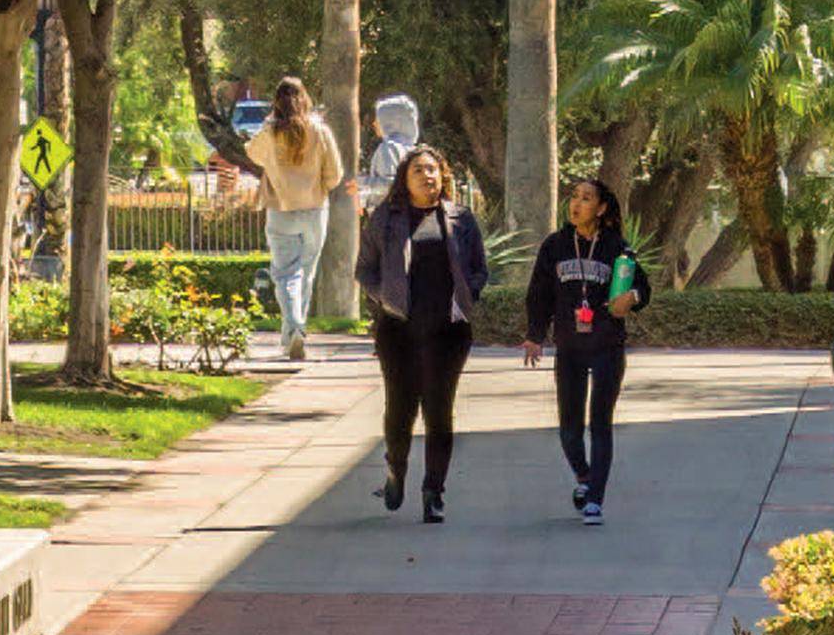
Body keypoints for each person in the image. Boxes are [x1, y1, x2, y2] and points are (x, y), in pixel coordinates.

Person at [354, 146, 489, 524]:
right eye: (418, 170)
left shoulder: (461, 218)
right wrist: (388, 297)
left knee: (439, 412)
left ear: (443, 175)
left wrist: (468, 294)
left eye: (433, 170)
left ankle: (434, 492)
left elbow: (479, 267)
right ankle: (396, 469)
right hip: (398, 330)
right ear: (405, 178)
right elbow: (364, 269)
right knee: (400, 411)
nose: (427, 176)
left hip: (448, 332)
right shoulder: (387, 218)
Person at [521, 176, 649, 527]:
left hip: (607, 346)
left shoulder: (617, 248)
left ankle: (595, 500)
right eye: (574, 197)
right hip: (570, 348)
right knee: (569, 430)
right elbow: (539, 295)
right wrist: (535, 335)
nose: (576, 204)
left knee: (601, 425)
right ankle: (583, 476)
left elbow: (642, 286)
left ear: (602, 207)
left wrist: (632, 298)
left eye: (586, 198)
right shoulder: (555, 246)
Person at [245, 76, 346, 360]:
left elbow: (252, 153)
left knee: (285, 274)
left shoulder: (270, 130)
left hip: (281, 209)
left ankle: (293, 332)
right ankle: (295, 332)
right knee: (306, 272)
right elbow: (335, 173)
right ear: (305, 98)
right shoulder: (320, 129)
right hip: (315, 209)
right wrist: (320, 187)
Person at [361, 93, 420, 209]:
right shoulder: (412, 149)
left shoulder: (388, 148)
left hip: (388, 216)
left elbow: (389, 185)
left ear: (390, 121)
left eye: (379, 119)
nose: (374, 124)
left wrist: (362, 183)